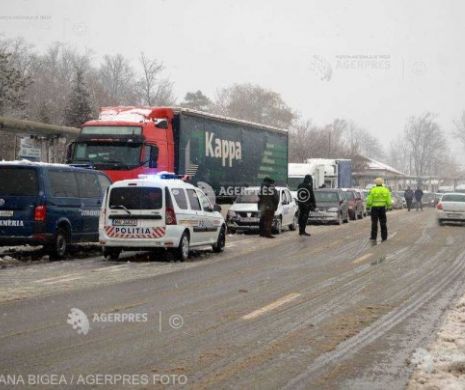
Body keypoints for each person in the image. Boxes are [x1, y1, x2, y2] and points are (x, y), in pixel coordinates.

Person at [366, 177, 392, 243]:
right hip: (382, 209)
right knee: (383, 223)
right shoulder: (386, 190)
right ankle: (384, 237)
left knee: (374, 223)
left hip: (374, 209)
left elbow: (369, 200)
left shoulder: (373, 190)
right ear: (382, 183)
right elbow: (388, 200)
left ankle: (373, 237)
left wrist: (368, 206)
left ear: (375, 183)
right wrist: (389, 206)